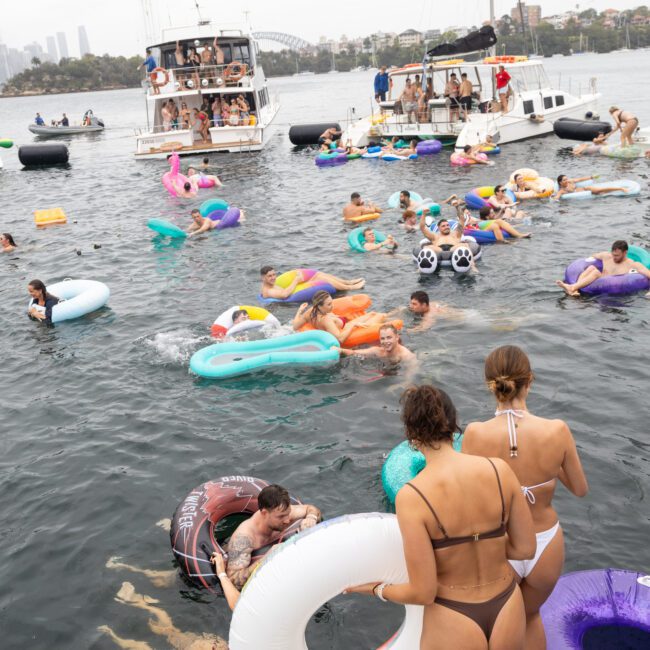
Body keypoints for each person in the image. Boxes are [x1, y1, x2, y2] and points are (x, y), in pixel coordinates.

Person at [345, 384, 536, 650]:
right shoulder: (499, 470)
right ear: (453, 422)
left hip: (454, 613)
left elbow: (423, 592)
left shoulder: (412, 496)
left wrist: (377, 588)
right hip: (507, 603)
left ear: (411, 434)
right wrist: (483, 543)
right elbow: (526, 548)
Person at [463, 346, 588, 649]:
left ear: (490, 384)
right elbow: (580, 489)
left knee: (495, 625)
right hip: (546, 543)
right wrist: (547, 467)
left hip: (502, 544)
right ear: (530, 380)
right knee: (531, 617)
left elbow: (468, 500)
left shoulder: (475, 433)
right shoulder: (557, 430)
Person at [225, 484, 322, 589]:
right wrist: (267, 558)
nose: (287, 520)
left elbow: (310, 508)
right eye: (281, 517)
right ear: (264, 513)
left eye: (288, 513)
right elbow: (233, 581)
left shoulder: (285, 513)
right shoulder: (244, 537)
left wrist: (311, 517)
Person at [99, 581, 228, 649]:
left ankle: (112, 633)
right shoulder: (220, 645)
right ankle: (139, 603)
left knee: (146, 646)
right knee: (168, 626)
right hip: (192, 642)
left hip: (191, 643)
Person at [556, 239, 650, 296]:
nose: (614, 258)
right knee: (592, 268)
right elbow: (591, 257)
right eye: (613, 254)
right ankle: (574, 288)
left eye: (617, 255)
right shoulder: (606, 256)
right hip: (592, 287)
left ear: (625, 253)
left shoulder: (633, 264)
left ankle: (573, 287)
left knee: (596, 272)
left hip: (611, 293)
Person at [292, 290, 387, 344]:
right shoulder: (326, 320)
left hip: (343, 322)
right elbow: (340, 339)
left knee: (372, 313)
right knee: (380, 315)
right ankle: (398, 312)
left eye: (331, 302)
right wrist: (353, 325)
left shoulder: (310, 311)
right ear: (320, 306)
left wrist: (299, 311)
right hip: (346, 328)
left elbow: (295, 326)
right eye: (329, 304)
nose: (332, 306)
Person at [260, 266, 364, 300]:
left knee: (318, 274)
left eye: (274, 275)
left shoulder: (270, 284)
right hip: (292, 297)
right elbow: (284, 294)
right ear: (263, 278)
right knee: (324, 280)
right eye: (270, 276)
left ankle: (348, 282)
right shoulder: (269, 291)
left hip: (294, 290)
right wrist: (295, 280)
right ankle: (350, 288)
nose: (273, 278)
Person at [337, 324, 415, 364]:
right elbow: (354, 353)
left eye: (389, 337)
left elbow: (411, 375)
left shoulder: (406, 356)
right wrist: (340, 350)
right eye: (382, 338)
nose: (385, 341)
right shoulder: (378, 351)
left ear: (397, 337)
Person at [466, 206, 531, 242]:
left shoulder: (489, 221)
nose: (494, 213)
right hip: (507, 223)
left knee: (518, 212)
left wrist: (500, 212)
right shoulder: (479, 222)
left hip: (506, 222)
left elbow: (493, 219)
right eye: (492, 213)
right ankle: (519, 235)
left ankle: (529, 219)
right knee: (519, 214)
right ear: (487, 216)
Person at [553, 174, 629, 199]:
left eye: (566, 179)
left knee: (601, 190)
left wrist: (591, 177)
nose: (566, 181)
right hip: (585, 193)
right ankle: (619, 189)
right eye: (564, 180)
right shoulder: (562, 190)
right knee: (602, 192)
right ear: (560, 182)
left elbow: (580, 179)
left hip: (586, 189)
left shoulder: (571, 181)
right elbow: (556, 197)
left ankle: (620, 188)